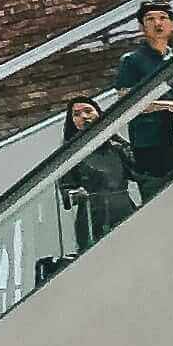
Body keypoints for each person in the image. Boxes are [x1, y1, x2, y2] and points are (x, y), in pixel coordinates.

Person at [110, 0, 173, 202]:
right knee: (157, 199)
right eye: (150, 19)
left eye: (163, 18)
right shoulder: (132, 61)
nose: (157, 23)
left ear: (172, 24)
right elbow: (127, 102)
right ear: (141, 27)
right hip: (149, 144)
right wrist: (169, 105)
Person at [55, 91, 135, 253]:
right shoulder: (70, 154)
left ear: (99, 114)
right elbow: (66, 190)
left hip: (123, 208)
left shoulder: (116, 145)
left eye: (88, 111)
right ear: (72, 122)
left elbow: (139, 171)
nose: (84, 116)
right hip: (92, 216)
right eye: (77, 114)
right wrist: (76, 193)